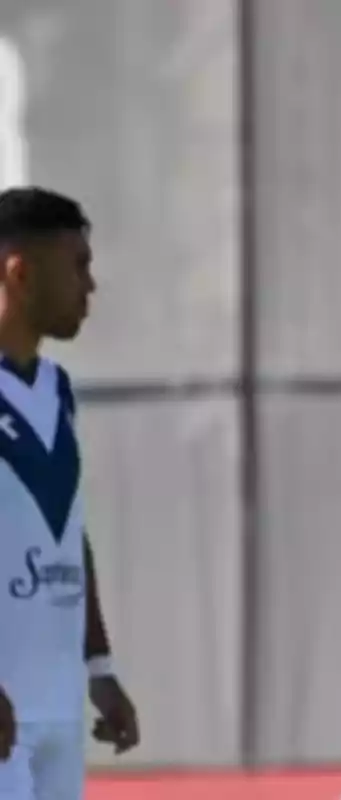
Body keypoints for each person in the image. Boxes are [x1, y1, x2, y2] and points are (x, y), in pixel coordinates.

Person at [0, 187, 139, 800]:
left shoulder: (57, 389)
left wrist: (99, 668)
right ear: (20, 274)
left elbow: (65, 531)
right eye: (77, 265)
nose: (91, 285)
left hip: (55, 708)